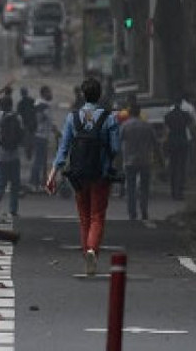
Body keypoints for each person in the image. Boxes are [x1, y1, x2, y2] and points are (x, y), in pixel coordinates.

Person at [47, 77, 121, 276]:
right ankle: (92, 250)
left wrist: (52, 174)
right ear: (100, 95)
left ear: (83, 95)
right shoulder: (109, 118)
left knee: (84, 217)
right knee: (97, 216)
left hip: (78, 176)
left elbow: (63, 149)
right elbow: (115, 148)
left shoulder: (73, 118)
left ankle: (86, 252)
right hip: (100, 175)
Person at [0, 95, 26, 221]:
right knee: (15, 183)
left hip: (1, 154)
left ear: (0, 105)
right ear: (11, 105)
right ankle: (13, 209)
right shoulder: (18, 117)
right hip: (14, 154)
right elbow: (21, 134)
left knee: (0, 180)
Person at [120, 103, 157, 221]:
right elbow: (155, 143)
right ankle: (144, 209)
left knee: (130, 187)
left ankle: (132, 212)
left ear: (130, 113)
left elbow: (118, 141)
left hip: (129, 160)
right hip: (145, 160)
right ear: (139, 113)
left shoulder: (125, 126)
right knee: (144, 187)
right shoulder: (147, 126)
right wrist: (160, 159)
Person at [164, 98, 194, 200]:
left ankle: (173, 191)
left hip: (172, 141)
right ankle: (180, 191)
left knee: (173, 167)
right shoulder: (185, 115)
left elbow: (167, 128)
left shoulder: (168, 116)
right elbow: (191, 123)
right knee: (181, 167)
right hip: (182, 141)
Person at [27, 86, 54, 191]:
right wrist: (57, 132)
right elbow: (49, 121)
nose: (51, 94)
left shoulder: (38, 104)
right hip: (41, 136)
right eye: (49, 92)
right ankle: (33, 182)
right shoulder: (44, 106)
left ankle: (40, 182)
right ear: (44, 93)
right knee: (39, 161)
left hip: (40, 135)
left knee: (41, 160)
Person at [16, 87, 36, 159]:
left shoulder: (20, 103)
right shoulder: (32, 101)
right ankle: (30, 150)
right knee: (32, 137)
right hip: (33, 122)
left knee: (27, 139)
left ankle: (28, 153)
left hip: (25, 123)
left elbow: (18, 114)